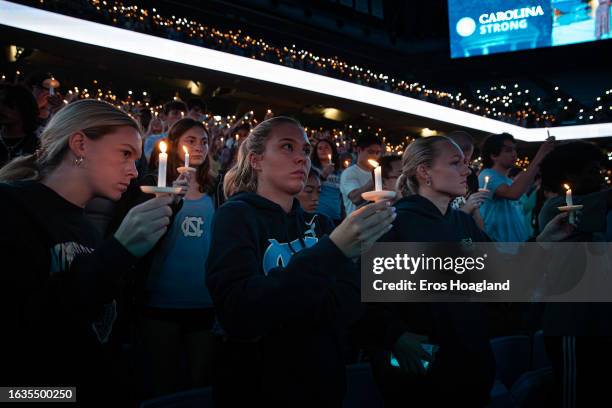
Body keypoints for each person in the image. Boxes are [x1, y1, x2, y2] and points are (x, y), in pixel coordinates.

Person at [206, 116, 395, 407]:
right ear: (256, 160)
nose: (301, 158)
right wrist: (332, 252)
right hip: (260, 386)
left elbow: (344, 308)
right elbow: (238, 311)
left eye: (305, 151)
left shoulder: (320, 224)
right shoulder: (236, 215)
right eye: (286, 147)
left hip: (323, 382)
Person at [375, 136, 575, 407]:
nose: (466, 171)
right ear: (424, 172)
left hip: (471, 362)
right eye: (456, 163)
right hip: (422, 369)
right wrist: (395, 335)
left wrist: (544, 241)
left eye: (466, 163)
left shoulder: (462, 223)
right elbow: (366, 295)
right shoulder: (393, 224)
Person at [0, 99, 174, 404]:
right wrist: (119, 251)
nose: (134, 171)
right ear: (80, 144)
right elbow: (32, 331)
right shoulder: (12, 208)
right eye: (124, 154)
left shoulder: (88, 229)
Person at [139, 118, 217, 396]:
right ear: (175, 146)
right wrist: (171, 200)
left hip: (204, 299)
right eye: (191, 141)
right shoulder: (155, 185)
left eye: (204, 141)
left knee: (199, 383)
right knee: (162, 382)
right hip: (161, 297)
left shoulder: (216, 190)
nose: (199, 147)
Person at [479, 132, 554, 242]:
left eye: (514, 149)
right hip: (499, 248)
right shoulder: (487, 175)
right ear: (493, 155)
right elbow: (512, 194)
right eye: (508, 150)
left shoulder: (509, 181)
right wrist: (541, 154)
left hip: (517, 247)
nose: (514, 154)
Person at [340, 133, 382, 215]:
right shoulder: (349, 173)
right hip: (358, 223)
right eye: (371, 152)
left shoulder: (380, 172)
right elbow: (355, 199)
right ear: (359, 150)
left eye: (377, 153)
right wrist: (375, 180)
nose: (375, 156)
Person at [0, 83, 40, 167]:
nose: (2, 109)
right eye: (1, 104)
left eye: (9, 106)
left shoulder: (36, 145)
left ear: (24, 109)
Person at [311, 138, 343, 223]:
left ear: (332, 151)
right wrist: (323, 175)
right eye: (320, 148)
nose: (323, 150)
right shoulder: (312, 169)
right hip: (318, 214)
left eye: (326, 147)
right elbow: (309, 189)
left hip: (336, 215)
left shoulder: (339, 172)